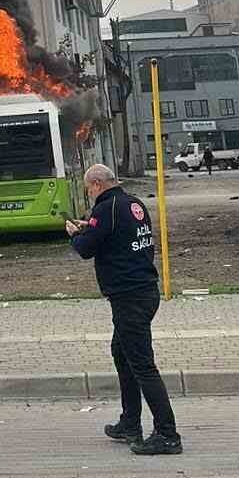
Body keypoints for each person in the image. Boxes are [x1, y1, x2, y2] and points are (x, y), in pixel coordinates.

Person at [66, 164, 182, 456]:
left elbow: (85, 249)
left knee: (142, 365)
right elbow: (116, 238)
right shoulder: (132, 203)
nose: (89, 194)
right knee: (122, 354)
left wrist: (74, 234)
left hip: (129, 297)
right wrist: (88, 228)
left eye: (88, 189)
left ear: (95, 184)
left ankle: (167, 434)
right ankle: (129, 422)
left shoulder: (106, 209)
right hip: (144, 291)